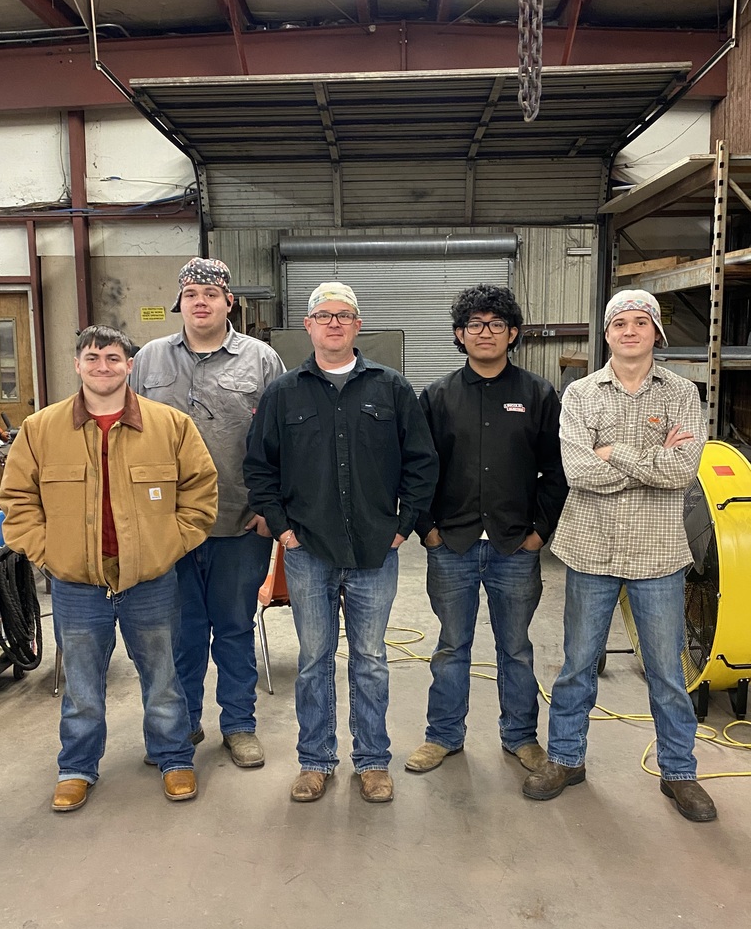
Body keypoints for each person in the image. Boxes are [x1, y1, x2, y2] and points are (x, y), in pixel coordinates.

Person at [0, 326, 217, 811]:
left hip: (150, 581)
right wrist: (51, 554)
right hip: (77, 585)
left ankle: (174, 757)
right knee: (81, 684)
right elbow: (17, 500)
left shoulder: (170, 426)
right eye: (93, 358)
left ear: (129, 365)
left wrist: (166, 547)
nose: (103, 366)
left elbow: (201, 494)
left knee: (163, 677)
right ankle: (76, 767)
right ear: (77, 364)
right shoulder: (41, 429)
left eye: (113, 358)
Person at [522, 289, 716, 822]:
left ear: (656, 331)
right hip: (592, 550)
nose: (629, 332)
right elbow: (579, 472)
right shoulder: (582, 394)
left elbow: (681, 472)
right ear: (606, 334)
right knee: (578, 665)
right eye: (619, 324)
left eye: (640, 322)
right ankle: (565, 758)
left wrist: (614, 452)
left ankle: (679, 772)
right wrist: (650, 458)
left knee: (666, 672)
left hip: (658, 555)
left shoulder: (682, 394)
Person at [244, 282, 438, 803]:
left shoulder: (391, 387)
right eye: (323, 315)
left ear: (357, 325)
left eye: (344, 315)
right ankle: (315, 760)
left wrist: (405, 523)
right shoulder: (284, 392)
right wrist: (282, 529)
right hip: (308, 549)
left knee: (371, 658)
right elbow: (260, 468)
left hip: (376, 549)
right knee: (314, 659)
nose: (334, 323)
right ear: (308, 326)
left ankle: (373, 761)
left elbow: (422, 462)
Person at [406, 285, 567, 776]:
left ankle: (520, 736)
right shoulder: (435, 397)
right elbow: (416, 469)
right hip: (450, 545)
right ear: (459, 334)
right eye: (474, 324)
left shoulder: (537, 394)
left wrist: (539, 533)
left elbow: (558, 470)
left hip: (515, 547)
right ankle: (443, 736)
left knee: (515, 648)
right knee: (452, 646)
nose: (485, 333)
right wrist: (428, 530)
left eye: (496, 324)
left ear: (512, 333)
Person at [130, 258, 284, 769]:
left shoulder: (261, 360)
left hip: (238, 523)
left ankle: (239, 726)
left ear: (228, 302)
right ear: (180, 300)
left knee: (235, 626)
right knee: (180, 631)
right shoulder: (148, 360)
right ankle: (184, 722)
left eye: (211, 294)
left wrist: (270, 511)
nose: (201, 301)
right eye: (192, 292)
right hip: (165, 528)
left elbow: (282, 441)